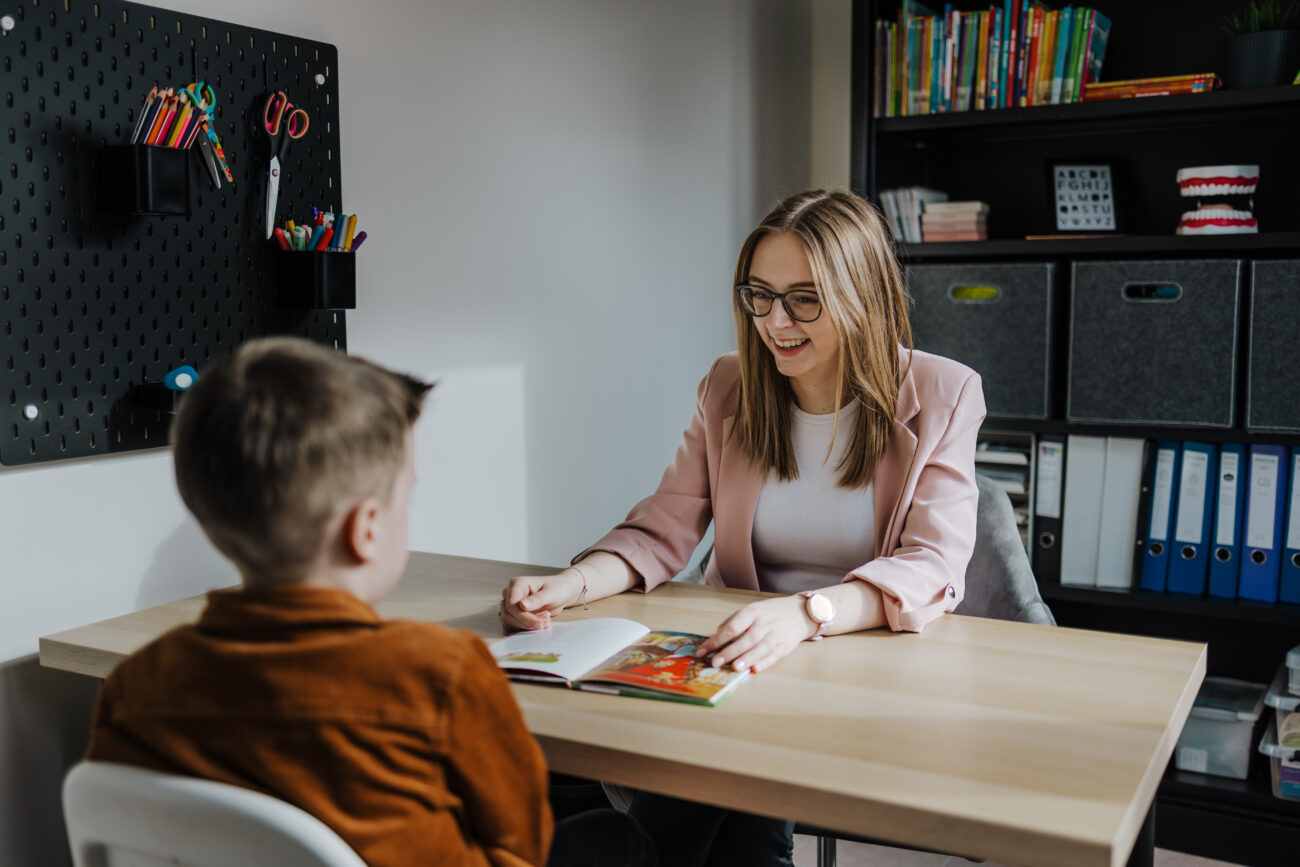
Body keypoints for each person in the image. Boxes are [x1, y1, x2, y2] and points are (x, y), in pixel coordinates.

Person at [499, 189, 986, 866]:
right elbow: (662, 527)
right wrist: (570, 584)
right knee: (729, 810)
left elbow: (933, 564)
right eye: (759, 294)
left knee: (694, 805)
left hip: (860, 662)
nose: (775, 321)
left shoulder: (943, 392)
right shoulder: (729, 384)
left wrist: (805, 613)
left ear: (861, 294)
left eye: (803, 299)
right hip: (733, 660)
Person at [85, 337, 654, 867]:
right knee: (620, 833)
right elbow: (520, 843)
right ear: (365, 530)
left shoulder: (132, 687)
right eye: (406, 497)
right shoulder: (443, 673)